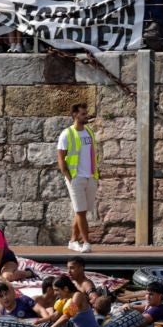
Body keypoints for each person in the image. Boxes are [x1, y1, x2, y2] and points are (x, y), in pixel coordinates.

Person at [51, 103, 98, 254]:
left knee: (82, 212)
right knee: (81, 211)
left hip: (90, 177)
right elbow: (61, 159)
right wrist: (70, 178)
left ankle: (72, 241)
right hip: (75, 177)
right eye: (83, 114)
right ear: (75, 115)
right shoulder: (67, 134)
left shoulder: (89, 132)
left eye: (86, 113)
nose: (86, 116)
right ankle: (86, 242)